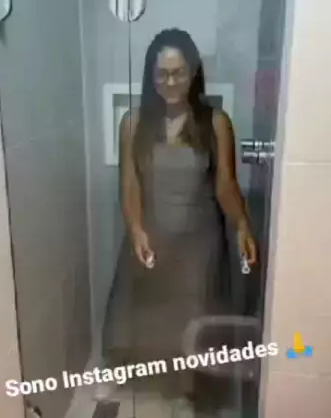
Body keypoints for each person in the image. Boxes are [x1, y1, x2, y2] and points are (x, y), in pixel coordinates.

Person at [102, 28, 257, 413]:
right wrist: (136, 228)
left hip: (199, 238)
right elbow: (129, 184)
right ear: (151, 76)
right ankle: (154, 384)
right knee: (151, 315)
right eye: (162, 74)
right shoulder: (133, 123)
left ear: (193, 74)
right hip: (153, 233)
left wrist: (242, 225)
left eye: (178, 73)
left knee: (193, 314)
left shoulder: (215, 122)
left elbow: (226, 185)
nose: (170, 82)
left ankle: (190, 393)